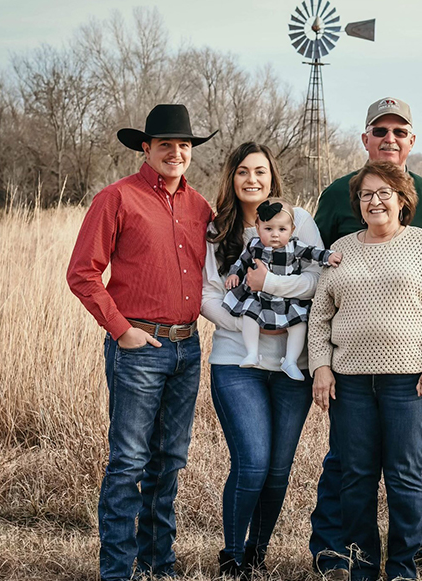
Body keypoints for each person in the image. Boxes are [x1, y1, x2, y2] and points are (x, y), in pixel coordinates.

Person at [66, 103, 217, 581]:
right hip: (139, 347)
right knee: (129, 459)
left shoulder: (200, 207)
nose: (176, 153)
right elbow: (82, 274)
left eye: (185, 145)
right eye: (166, 145)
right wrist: (121, 330)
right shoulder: (116, 198)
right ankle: (116, 571)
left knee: (169, 460)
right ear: (146, 149)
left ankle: (159, 564)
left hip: (188, 348)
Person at [311, 97, 422, 578]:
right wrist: (322, 367)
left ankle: (406, 565)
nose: (376, 200)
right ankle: (360, 563)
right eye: (367, 195)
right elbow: (320, 315)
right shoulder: (340, 248)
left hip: (409, 381)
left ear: (403, 199)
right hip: (350, 381)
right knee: (355, 477)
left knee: (408, 476)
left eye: (385, 194)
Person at [200, 142, 321, 577]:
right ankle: (232, 556)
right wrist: (250, 321)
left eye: (261, 172)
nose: (252, 179)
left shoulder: (299, 220)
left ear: (272, 177)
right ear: (231, 178)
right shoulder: (218, 231)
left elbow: (316, 280)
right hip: (237, 360)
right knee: (252, 460)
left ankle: (257, 554)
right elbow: (208, 296)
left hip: (294, 365)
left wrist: (272, 286)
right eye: (243, 172)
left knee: (277, 469)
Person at [223, 198, 342, 381]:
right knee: (249, 315)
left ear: (292, 230)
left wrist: (329, 256)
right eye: (268, 229)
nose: (275, 235)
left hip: (287, 299)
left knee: (300, 323)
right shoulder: (254, 246)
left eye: (282, 229)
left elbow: (313, 252)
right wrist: (234, 274)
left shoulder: (294, 246)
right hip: (259, 298)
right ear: (258, 227)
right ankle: (252, 353)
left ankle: (290, 360)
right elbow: (241, 262)